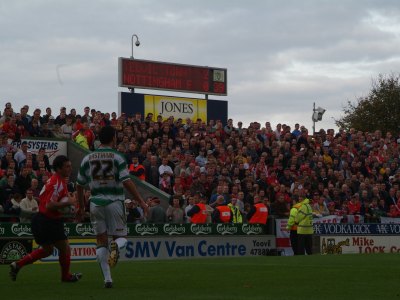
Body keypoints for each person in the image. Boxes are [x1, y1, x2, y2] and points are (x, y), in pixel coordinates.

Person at [76, 126, 147, 288]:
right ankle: (116, 246)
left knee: (101, 241)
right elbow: (126, 181)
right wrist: (141, 201)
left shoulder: (87, 158)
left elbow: (79, 184)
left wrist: (81, 206)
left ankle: (108, 279)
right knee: (121, 238)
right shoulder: (117, 157)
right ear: (113, 138)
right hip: (114, 201)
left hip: (95, 203)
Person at [9, 155, 82, 283]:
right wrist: (68, 203)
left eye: (70, 166)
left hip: (41, 219)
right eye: (67, 166)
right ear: (59, 168)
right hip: (49, 221)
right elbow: (50, 205)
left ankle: (18, 264)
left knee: (48, 250)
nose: (70, 168)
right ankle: (66, 277)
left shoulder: (57, 180)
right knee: (65, 248)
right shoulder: (57, 183)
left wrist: (68, 205)